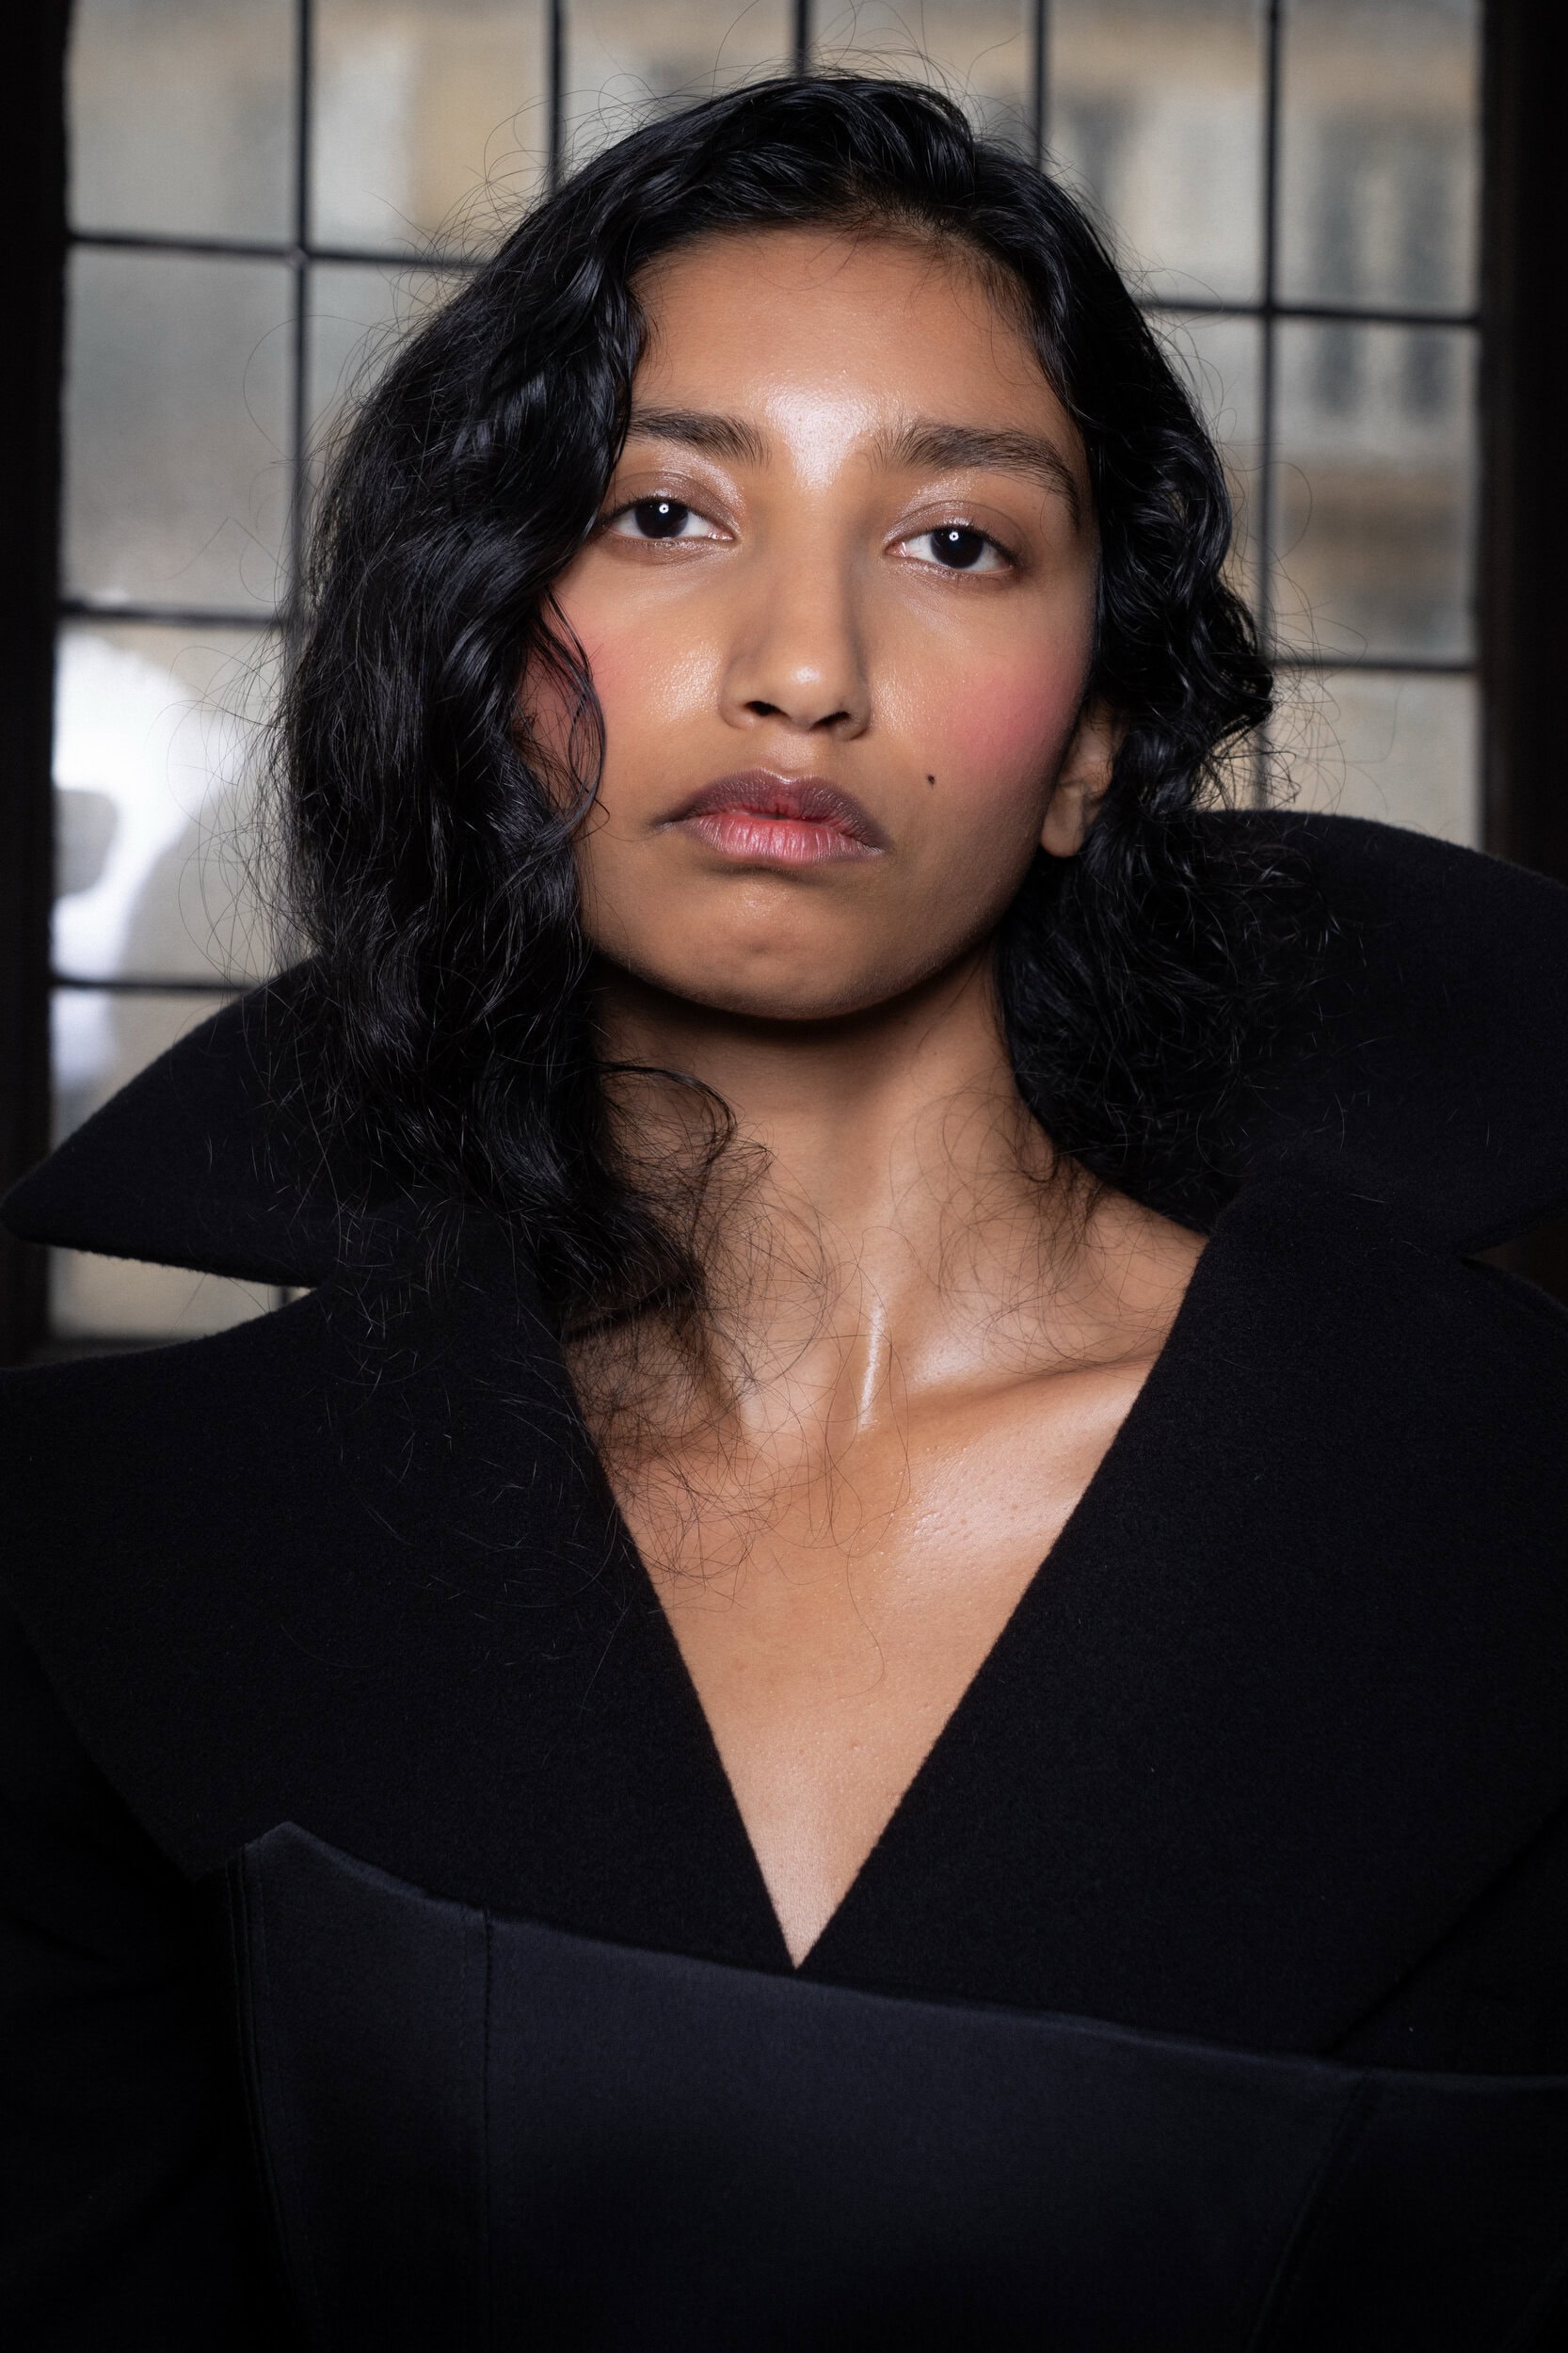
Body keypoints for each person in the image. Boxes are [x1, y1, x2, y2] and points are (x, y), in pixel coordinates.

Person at [3, 75, 1567, 2351]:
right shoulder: (126, 1544)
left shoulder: (1496, 1497)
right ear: (488, 652)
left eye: (954, 543)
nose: (804, 668)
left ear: (1097, 736)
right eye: (661, 511)